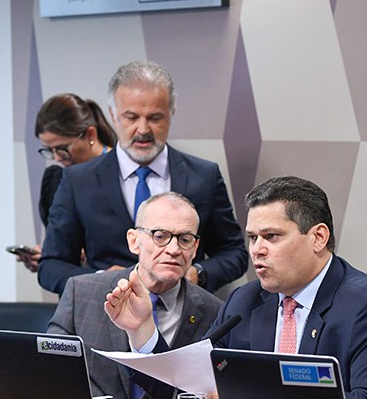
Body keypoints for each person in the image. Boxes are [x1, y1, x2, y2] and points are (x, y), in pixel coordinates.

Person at [105, 176, 367, 399]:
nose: (257, 250)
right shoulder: (245, 301)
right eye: (252, 238)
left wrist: (255, 397)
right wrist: (143, 331)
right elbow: (186, 393)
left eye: (271, 236)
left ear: (318, 237)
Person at [38, 60, 248, 295]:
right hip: (105, 319)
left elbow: (234, 253)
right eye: (131, 117)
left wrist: (196, 274)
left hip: (185, 322)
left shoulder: (204, 176)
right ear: (113, 115)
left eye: (155, 118)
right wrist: (101, 280)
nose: (143, 129)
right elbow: (50, 267)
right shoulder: (77, 181)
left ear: (171, 115)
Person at [48, 192, 223, 399]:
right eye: (160, 236)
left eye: (185, 239)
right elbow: (51, 368)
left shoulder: (215, 312)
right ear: (133, 241)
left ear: (195, 248)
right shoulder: (82, 292)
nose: (174, 249)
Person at [15, 94, 117, 273]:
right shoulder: (57, 181)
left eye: (62, 148)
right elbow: (61, 250)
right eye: (49, 150)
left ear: (90, 135)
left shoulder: (128, 175)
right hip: (80, 293)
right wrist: (48, 257)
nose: (56, 157)